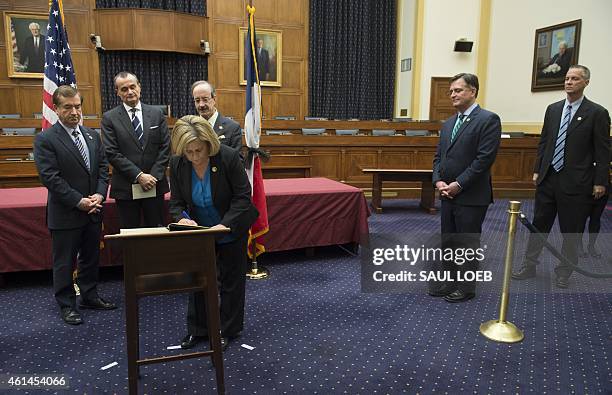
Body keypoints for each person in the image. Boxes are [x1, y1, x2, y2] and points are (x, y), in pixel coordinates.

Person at [512, 65, 610, 288]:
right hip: (548, 179)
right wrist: (538, 169)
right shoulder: (553, 109)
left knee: (571, 229)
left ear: (586, 82)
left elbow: (603, 151)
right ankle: (529, 265)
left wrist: (600, 181)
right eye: (567, 78)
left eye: (575, 79)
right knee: (538, 225)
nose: (569, 82)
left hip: (577, 182)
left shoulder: (597, 113)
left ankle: (564, 270)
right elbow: (545, 142)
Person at [168, 115, 258, 350]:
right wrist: (181, 219)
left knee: (231, 281)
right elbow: (176, 202)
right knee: (198, 279)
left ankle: (226, 329)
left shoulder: (227, 157)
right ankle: (198, 329)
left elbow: (242, 197)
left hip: (230, 225)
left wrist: (224, 224)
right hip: (200, 230)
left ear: (209, 143)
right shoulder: (177, 163)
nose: (195, 156)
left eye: (199, 150)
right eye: (189, 152)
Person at [33, 85, 116, 325]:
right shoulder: (46, 139)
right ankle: (67, 304)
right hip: (66, 212)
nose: (74, 112)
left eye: (77, 106)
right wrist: (78, 201)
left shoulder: (92, 135)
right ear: (56, 109)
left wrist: (100, 195)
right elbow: (50, 178)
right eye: (68, 107)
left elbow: (102, 169)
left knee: (90, 257)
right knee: (64, 261)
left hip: (93, 209)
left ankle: (90, 296)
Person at [431, 73, 501, 303]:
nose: (452, 94)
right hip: (447, 193)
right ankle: (449, 282)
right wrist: (438, 180)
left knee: (467, 242)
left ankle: (466, 287)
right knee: (449, 240)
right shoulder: (449, 122)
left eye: (458, 90)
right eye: (451, 91)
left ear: (473, 91)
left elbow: (483, 160)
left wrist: (458, 184)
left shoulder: (488, 120)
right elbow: (438, 157)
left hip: (471, 195)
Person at [102, 71, 171, 229]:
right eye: (124, 89)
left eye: (133, 87)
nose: (130, 92)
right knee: (130, 236)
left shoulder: (156, 114)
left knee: (156, 232)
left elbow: (165, 147)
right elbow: (112, 152)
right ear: (117, 92)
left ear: (139, 87)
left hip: (154, 185)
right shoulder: (109, 118)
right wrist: (139, 176)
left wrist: (152, 176)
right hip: (126, 188)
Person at [191, 80, 242, 152]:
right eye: (197, 100)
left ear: (214, 99)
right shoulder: (190, 126)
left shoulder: (232, 128)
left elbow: (238, 160)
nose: (201, 105)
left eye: (205, 100)